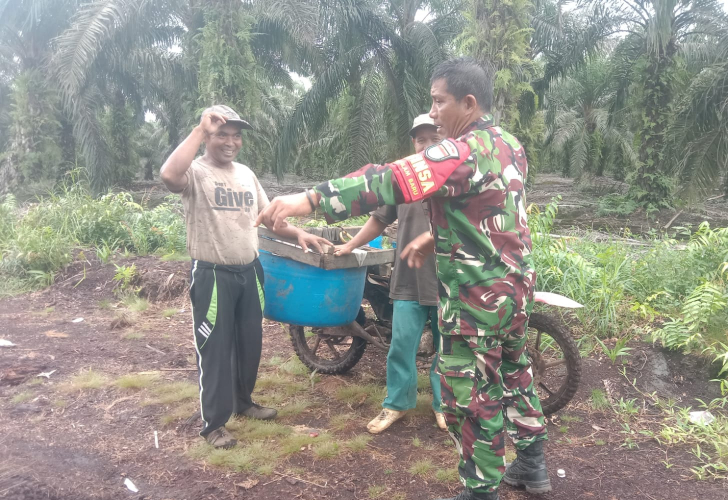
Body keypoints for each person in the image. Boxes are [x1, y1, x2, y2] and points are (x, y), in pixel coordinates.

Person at [256, 58, 551, 500]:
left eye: (439, 101)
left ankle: (481, 490)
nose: (432, 112)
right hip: (512, 291)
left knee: (469, 394)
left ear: (468, 103)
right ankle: (532, 465)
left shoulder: (459, 149)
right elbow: (490, 213)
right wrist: (435, 238)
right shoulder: (509, 145)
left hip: (475, 298)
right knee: (514, 373)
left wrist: (311, 198)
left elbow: (394, 179)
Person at [160, 105, 330, 449]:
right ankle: (214, 424)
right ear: (208, 136)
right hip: (213, 273)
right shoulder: (195, 172)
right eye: (222, 133)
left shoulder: (245, 175)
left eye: (236, 135)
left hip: (250, 272)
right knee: (215, 348)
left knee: (249, 343)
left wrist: (298, 233)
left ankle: (243, 402)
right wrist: (199, 130)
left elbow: (269, 219)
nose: (230, 141)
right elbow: (167, 175)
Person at [335, 114, 446, 434]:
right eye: (420, 139)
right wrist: (350, 246)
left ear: (444, 141)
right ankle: (396, 404)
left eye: (433, 139)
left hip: (446, 281)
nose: (426, 145)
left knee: (448, 349)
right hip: (408, 280)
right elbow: (378, 221)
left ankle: (445, 406)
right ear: (413, 142)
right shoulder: (403, 178)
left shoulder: (454, 175)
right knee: (401, 346)